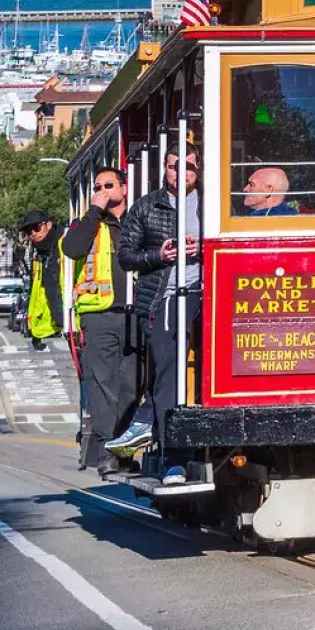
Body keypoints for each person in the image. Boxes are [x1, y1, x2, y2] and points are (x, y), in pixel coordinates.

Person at [107, 149, 201, 484]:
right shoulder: (147, 206)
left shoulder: (212, 204)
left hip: (207, 294)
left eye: (189, 166)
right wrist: (158, 255)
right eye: (175, 166)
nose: (182, 172)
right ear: (165, 169)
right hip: (165, 297)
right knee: (167, 374)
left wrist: (201, 249)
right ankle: (173, 458)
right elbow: (126, 256)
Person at [61, 167, 135, 476]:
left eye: (109, 186)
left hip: (135, 313)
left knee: (132, 384)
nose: (104, 191)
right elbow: (72, 249)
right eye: (99, 187)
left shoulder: (136, 220)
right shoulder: (88, 224)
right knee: (105, 386)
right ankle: (107, 449)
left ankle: (126, 447)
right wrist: (93, 210)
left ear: (125, 188)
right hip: (98, 315)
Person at [19, 209, 62, 353]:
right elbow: (39, 296)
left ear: (49, 225)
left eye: (36, 228)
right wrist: (36, 332)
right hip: (63, 324)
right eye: (28, 231)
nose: (33, 234)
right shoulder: (40, 257)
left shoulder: (65, 244)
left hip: (80, 322)